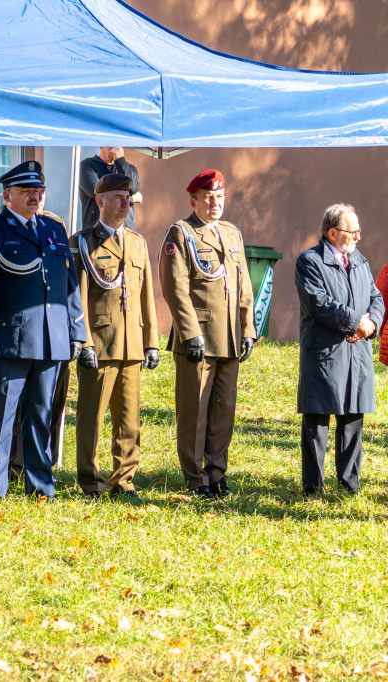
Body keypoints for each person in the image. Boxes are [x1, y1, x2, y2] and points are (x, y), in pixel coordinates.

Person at [0, 160, 85, 500]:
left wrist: (76, 330)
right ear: (7, 196)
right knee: (1, 418)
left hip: (51, 338)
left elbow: (70, 285)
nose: (35, 196)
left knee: (42, 415)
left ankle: (41, 486)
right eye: (27, 190)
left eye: (39, 190)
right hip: (10, 339)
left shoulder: (54, 230)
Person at [158, 169, 256, 499]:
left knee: (222, 412)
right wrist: (190, 333)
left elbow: (243, 286)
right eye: (208, 197)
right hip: (198, 339)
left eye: (220, 197)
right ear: (193, 201)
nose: (215, 203)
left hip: (229, 336)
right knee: (194, 413)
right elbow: (175, 288)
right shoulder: (181, 233)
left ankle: (216, 473)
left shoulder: (231, 234)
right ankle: (195, 477)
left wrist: (248, 329)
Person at [70, 174, 159, 501]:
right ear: (100, 202)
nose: (125, 203)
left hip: (132, 345)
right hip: (100, 344)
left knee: (129, 420)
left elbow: (146, 295)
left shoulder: (137, 242)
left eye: (128, 197)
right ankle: (90, 481)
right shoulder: (82, 242)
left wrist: (151, 342)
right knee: (91, 419)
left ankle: (124, 480)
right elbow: (78, 296)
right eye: (118, 197)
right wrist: (85, 342)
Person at [295, 204, 383, 496]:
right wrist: (355, 322)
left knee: (352, 418)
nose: (358, 236)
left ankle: (349, 485)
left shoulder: (359, 260)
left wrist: (371, 322)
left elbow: (375, 296)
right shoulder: (309, 261)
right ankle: (313, 487)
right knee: (317, 421)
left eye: (358, 230)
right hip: (325, 352)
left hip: (356, 353)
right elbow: (319, 303)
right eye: (351, 231)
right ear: (332, 233)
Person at [78, 147, 143, 232]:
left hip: (126, 235)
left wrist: (120, 161)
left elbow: (132, 188)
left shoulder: (129, 169)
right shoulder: (87, 166)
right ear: (101, 145)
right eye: (111, 143)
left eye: (118, 144)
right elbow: (98, 193)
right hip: (97, 236)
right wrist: (131, 198)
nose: (115, 147)